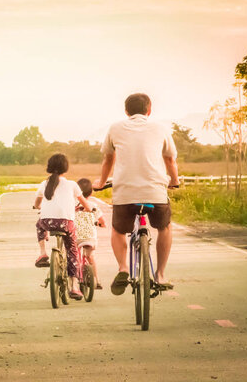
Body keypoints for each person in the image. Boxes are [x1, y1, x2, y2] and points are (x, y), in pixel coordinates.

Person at [93, 93, 179, 295]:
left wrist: (102, 182)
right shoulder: (161, 128)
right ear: (149, 110)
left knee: (118, 230)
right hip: (155, 192)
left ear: (126, 111)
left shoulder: (115, 128)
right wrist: (174, 181)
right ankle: (160, 274)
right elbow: (170, 161)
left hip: (125, 192)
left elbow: (108, 159)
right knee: (164, 227)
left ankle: (123, 268)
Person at [34, 153, 94, 300]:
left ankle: (43, 253)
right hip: (66, 223)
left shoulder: (44, 184)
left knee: (39, 224)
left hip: (47, 221)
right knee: (72, 251)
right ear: (65, 168)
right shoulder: (72, 185)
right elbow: (85, 204)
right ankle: (74, 286)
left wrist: (37, 207)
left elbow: (36, 204)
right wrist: (88, 209)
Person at [74, 178, 106, 289]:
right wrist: (100, 224)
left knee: (74, 256)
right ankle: (97, 281)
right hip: (89, 238)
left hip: (76, 238)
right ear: (91, 192)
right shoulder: (93, 205)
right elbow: (102, 222)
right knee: (90, 256)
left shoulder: (73, 205)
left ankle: (73, 282)